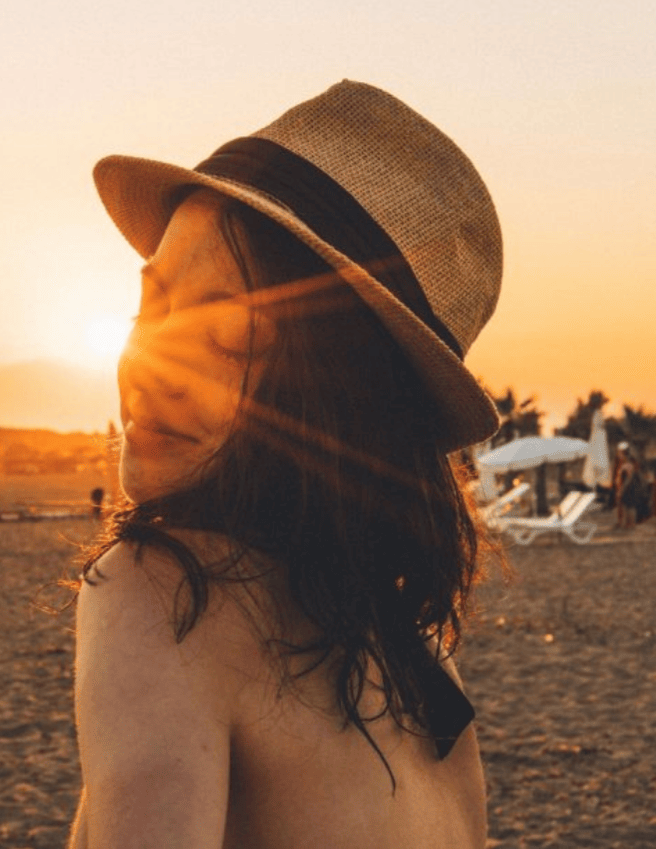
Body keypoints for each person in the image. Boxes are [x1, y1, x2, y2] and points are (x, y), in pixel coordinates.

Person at [70, 81, 502, 848]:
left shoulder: (162, 591)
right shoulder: (425, 669)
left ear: (337, 395)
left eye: (229, 335)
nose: (150, 364)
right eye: (152, 306)